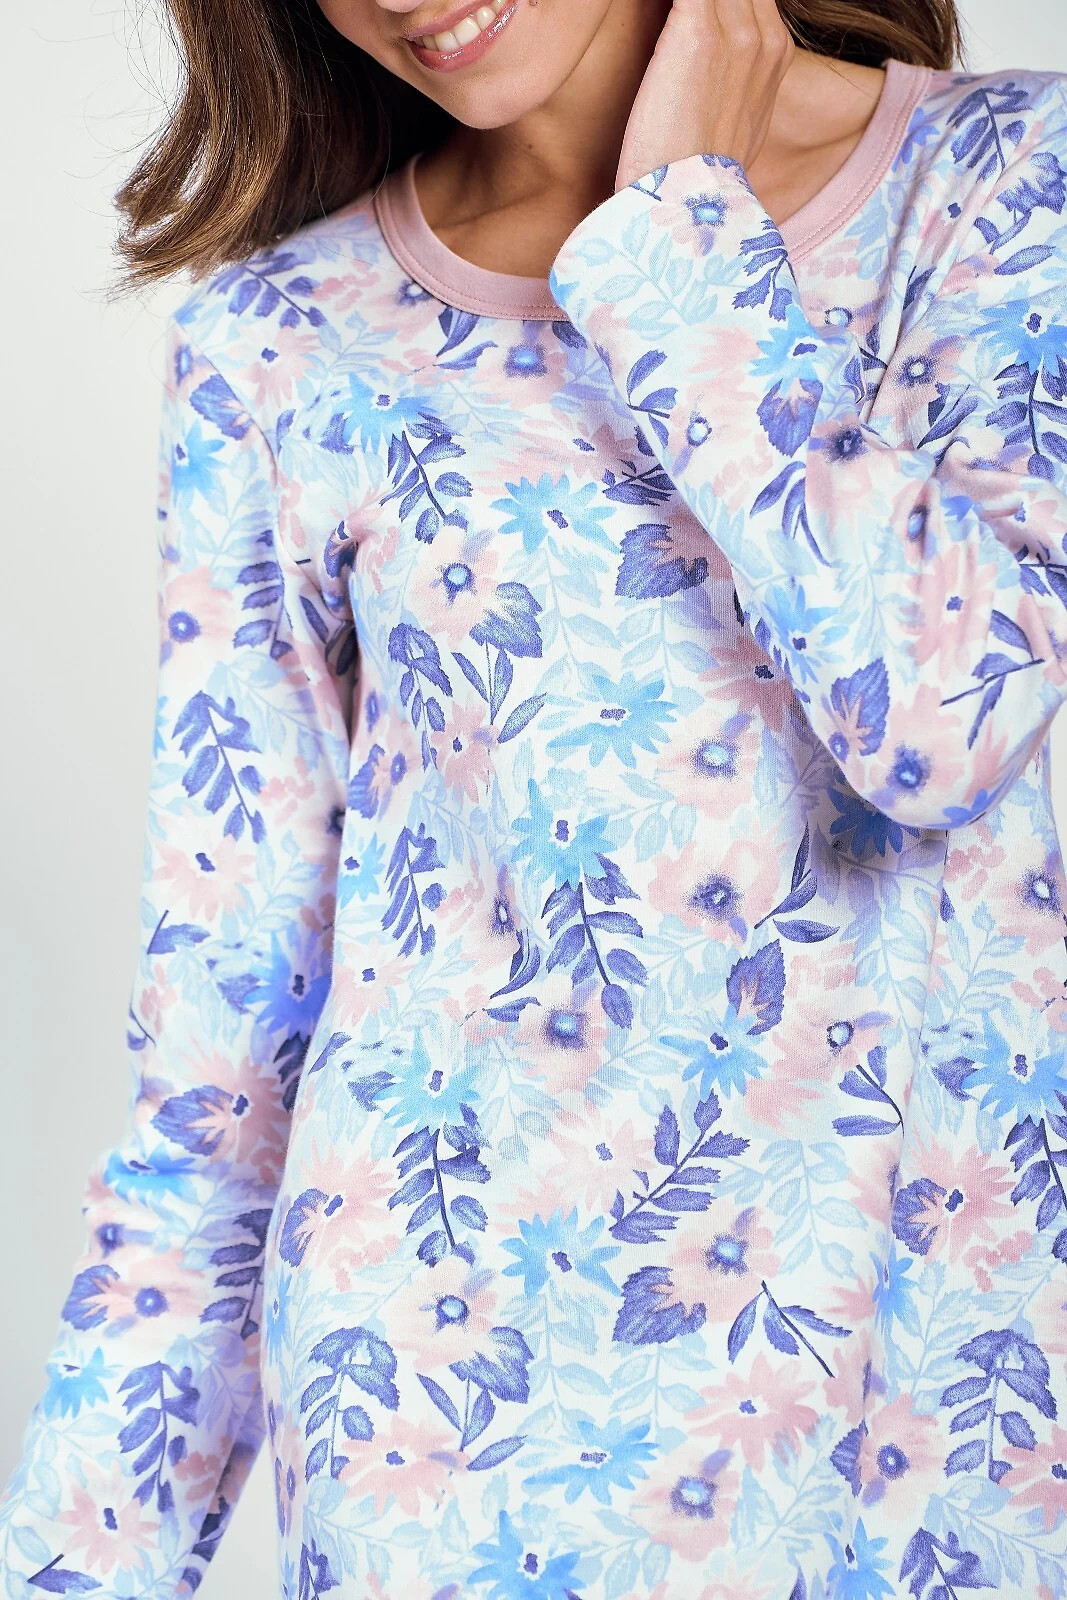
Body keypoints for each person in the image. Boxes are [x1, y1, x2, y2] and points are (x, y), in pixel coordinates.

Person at [3, 0, 1067, 1593]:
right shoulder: (281, 342)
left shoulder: (1005, 184)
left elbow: (940, 722)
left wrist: (679, 248)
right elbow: (219, 1097)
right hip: (440, 1481)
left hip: (924, 1456)